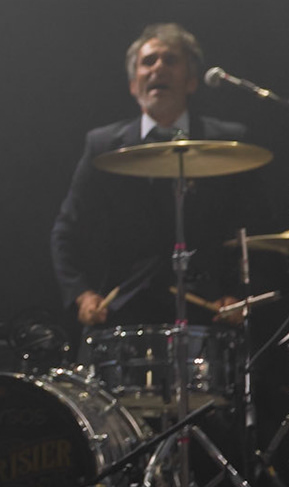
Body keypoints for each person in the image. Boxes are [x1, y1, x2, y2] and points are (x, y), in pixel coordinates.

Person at [51, 22, 270, 329]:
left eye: (170, 60)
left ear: (191, 81)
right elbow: (66, 232)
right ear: (132, 84)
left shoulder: (228, 143)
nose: (158, 69)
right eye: (148, 61)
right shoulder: (102, 146)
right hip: (123, 312)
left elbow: (256, 231)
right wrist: (81, 294)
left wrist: (238, 294)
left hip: (209, 313)